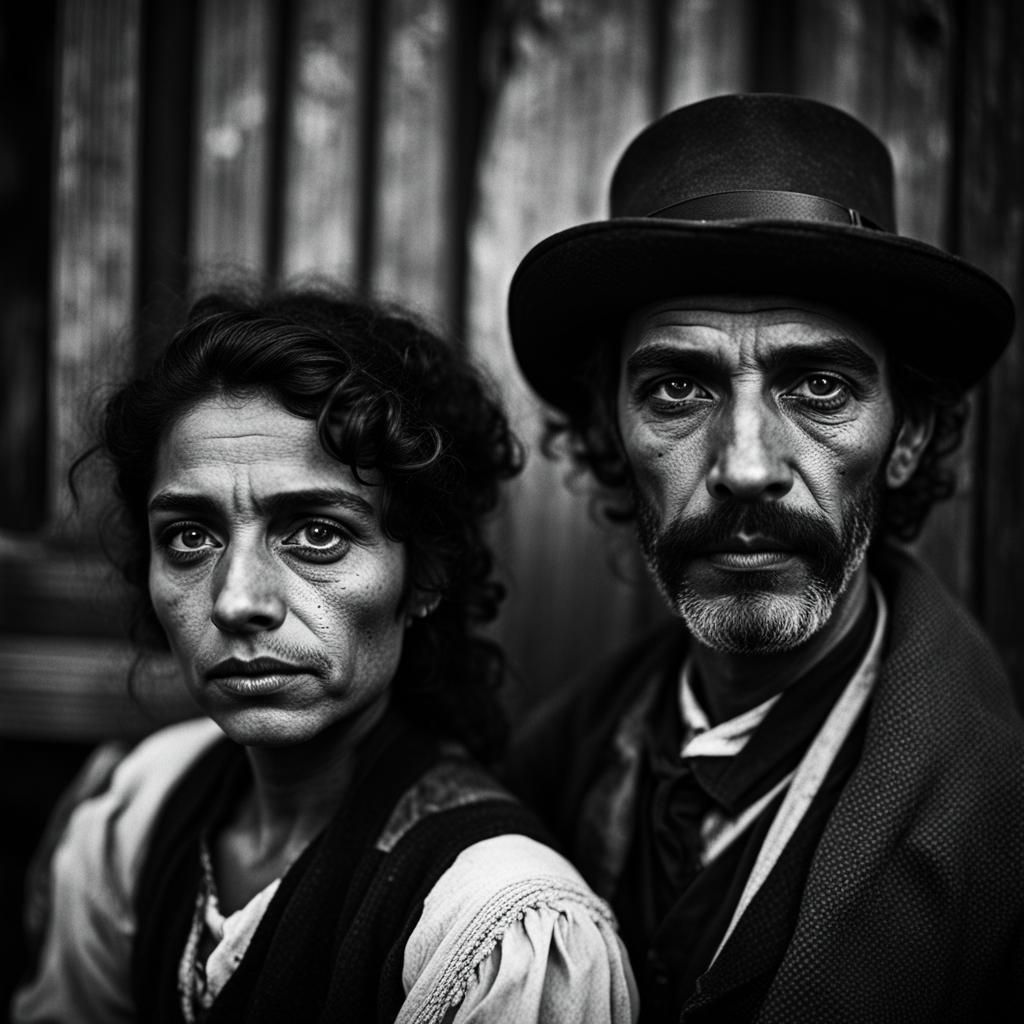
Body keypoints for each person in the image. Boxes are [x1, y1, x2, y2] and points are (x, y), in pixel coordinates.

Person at [501, 92, 1024, 1022]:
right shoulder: (548, 766)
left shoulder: (999, 827)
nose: (745, 466)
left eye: (819, 386)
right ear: (608, 430)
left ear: (906, 437)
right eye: (676, 387)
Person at [11, 284, 638, 1024]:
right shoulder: (141, 809)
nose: (236, 599)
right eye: (190, 536)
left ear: (426, 573)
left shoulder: (494, 926)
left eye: (315, 533)